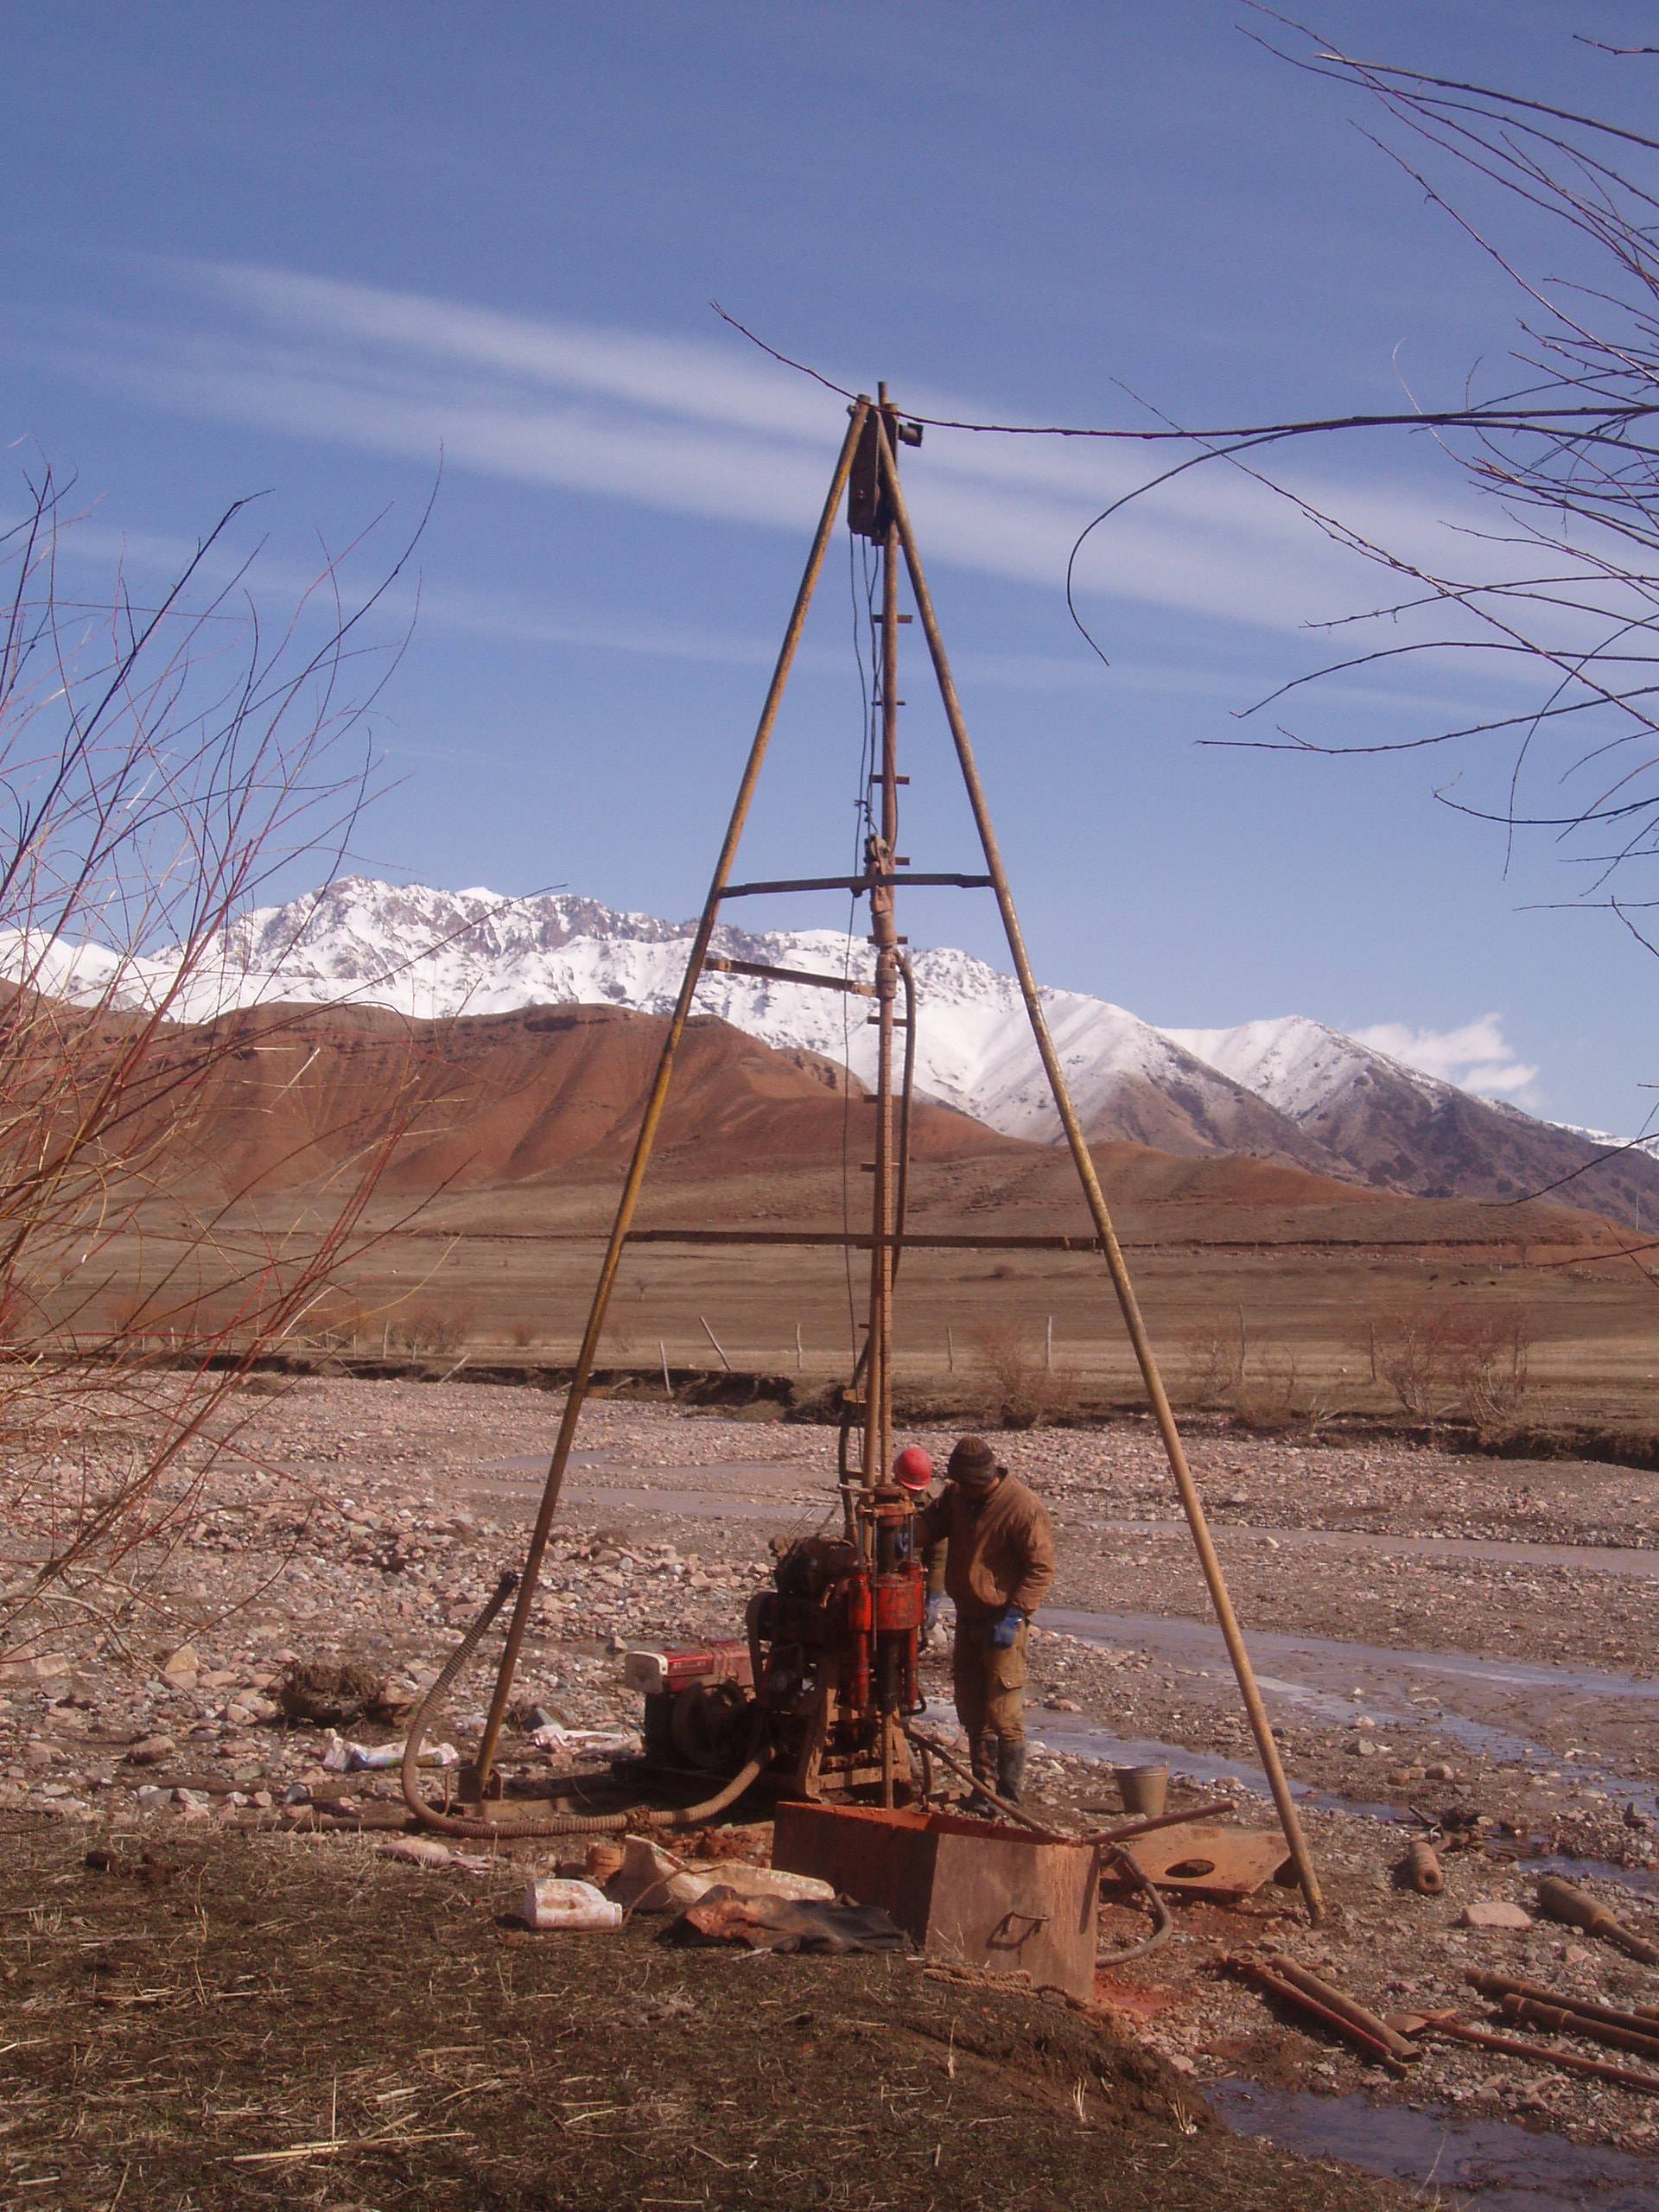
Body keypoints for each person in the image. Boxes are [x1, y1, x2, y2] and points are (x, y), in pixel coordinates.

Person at [912, 1434, 1054, 1809]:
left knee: (1003, 1712)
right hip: (970, 1617)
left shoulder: (1022, 1507)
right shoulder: (958, 1498)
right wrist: (901, 1534)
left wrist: (1017, 1613)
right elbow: (931, 1523)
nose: (959, 1490)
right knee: (972, 1709)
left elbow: (1040, 1569)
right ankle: (983, 1790)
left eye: (965, 1485)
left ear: (980, 1480)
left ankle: (1007, 1796)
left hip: (1002, 1618)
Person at [892, 1446, 948, 1650]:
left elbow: (938, 1558)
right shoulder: (878, 1501)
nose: (912, 1495)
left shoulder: (932, 1510)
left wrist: (933, 1597)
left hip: (912, 1583)